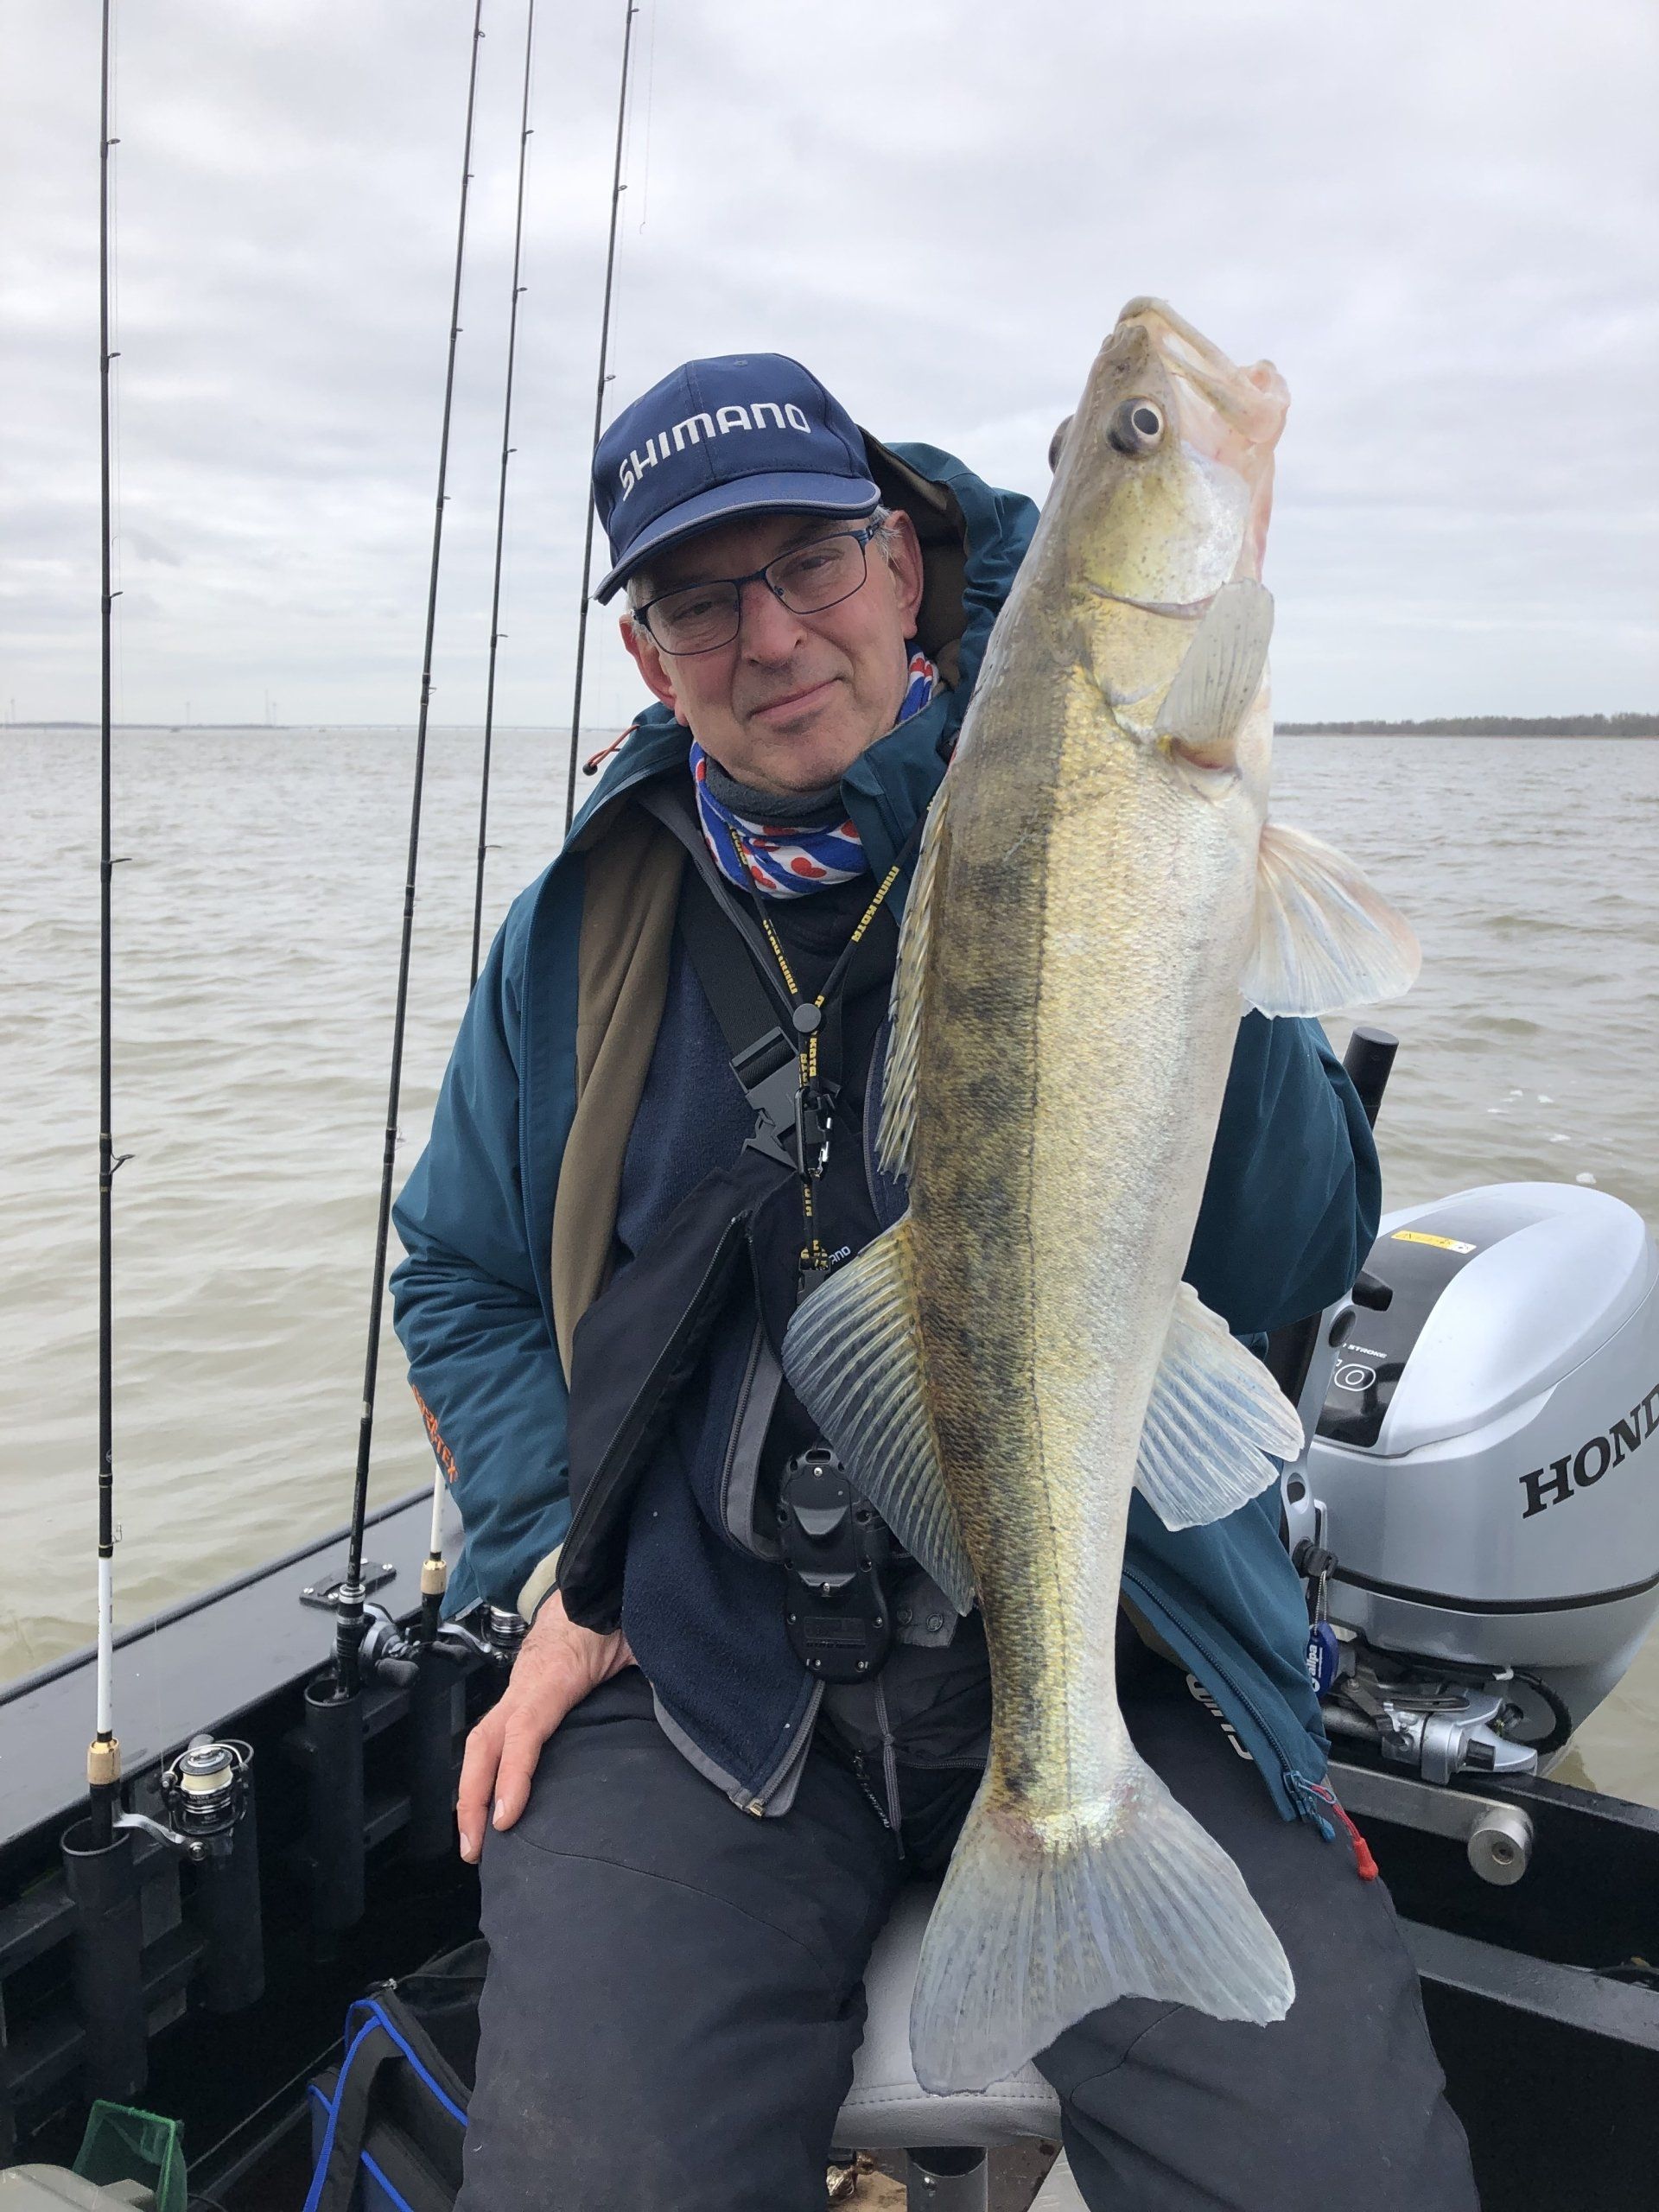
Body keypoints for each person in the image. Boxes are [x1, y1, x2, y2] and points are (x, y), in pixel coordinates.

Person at [391, 353, 1478, 2211]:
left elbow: (1299, 1252)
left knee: (1340, 2177)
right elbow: (462, 1278)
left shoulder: (1118, 788)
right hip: (707, 1670)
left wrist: (1192, 932)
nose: (770, 635)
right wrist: (563, 1562)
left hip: (1119, 1639)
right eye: (697, 602)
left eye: (812, 562)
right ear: (648, 657)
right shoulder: (576, 932)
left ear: (905, 565)